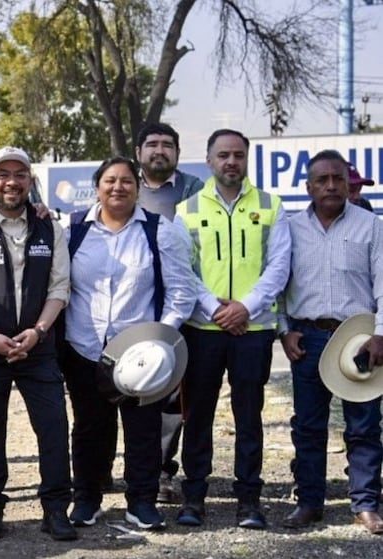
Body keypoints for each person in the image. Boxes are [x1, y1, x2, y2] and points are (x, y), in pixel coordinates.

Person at [0, 146, 76, 540]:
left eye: (19, 174)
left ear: (29, 181)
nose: (11, 181)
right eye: (2, 174)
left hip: (38, 349)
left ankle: (56, 508)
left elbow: (60, 287)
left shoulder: (49, 228)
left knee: (54, 427)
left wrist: (38, 331)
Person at [64, 157, 195, 531]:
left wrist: (159, 340)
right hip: (85, 347)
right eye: (110, 180)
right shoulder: (73, 230)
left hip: (142, 355)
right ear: (97, 187)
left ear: (137, 188)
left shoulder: (158, 231)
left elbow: (181, 293)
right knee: (90, 427)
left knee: (143, 429)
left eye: (126, 181)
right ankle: (86, 499)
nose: (118, 187)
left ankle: (141, 501)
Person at [176, 129, 291, 530]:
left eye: (238, 155)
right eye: (223, 155)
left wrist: (245, 307)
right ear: (208, 160)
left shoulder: (270, 206)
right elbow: (183, 270)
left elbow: (278, 267)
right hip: (202, 329)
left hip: (253, 328)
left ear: (246, 160)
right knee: (199, 415)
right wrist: (213, 307)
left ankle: (249, 501)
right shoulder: (187, 209)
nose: (231, 162)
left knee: (249, 415)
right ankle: (193, 498)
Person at [278, 149, 383, 534]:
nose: (331, 186)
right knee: (307, 425)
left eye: (338, 178)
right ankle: (309, 503)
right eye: (322, 180)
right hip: (306, 338)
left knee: (364, 426)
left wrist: (380, 334)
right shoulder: (289, 228)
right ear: (308, 187)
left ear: (348, 183)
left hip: (359, 339)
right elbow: (278, 285)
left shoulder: (371, 226)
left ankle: (366, 504)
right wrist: (283, 329)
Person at [134, 122, 206, 505]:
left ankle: (162, 473)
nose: (159, 151)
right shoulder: (127, 185)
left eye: (167, 145)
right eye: (152, 144)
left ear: (177, 152)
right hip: (134, 308)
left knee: (170, 400)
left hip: (182, 311)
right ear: (138, 151)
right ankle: (125, 471)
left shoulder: (195, 189)